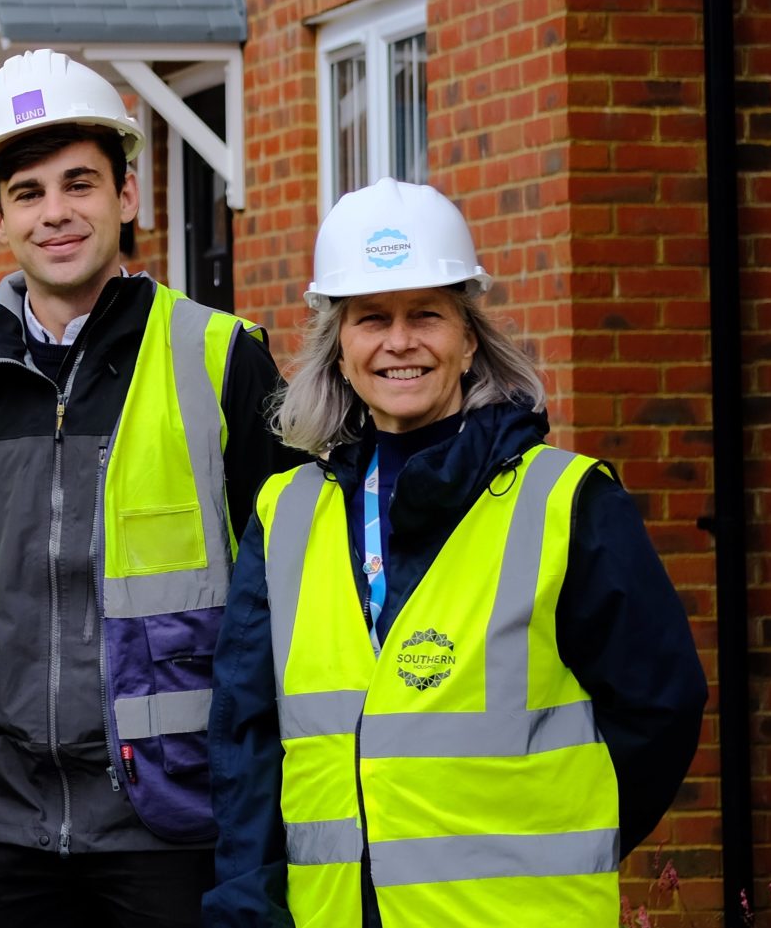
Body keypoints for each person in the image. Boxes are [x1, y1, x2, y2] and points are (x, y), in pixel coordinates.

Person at [205, 178, 708, 926]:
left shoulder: (565, 501)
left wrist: (560, 838)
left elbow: (660, 709)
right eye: (372, 317)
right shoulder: (287, 513)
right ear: (338, 346)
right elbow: (247, 740)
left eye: (427, 315)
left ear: (469, 337)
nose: (399, 341)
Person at [0, 50, 297, 927]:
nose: (56, 213)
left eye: (79, 183)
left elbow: (291, 595)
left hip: (170, 821)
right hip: (2, 828)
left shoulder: (221, 357)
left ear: (127, 196)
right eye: (30, 192)